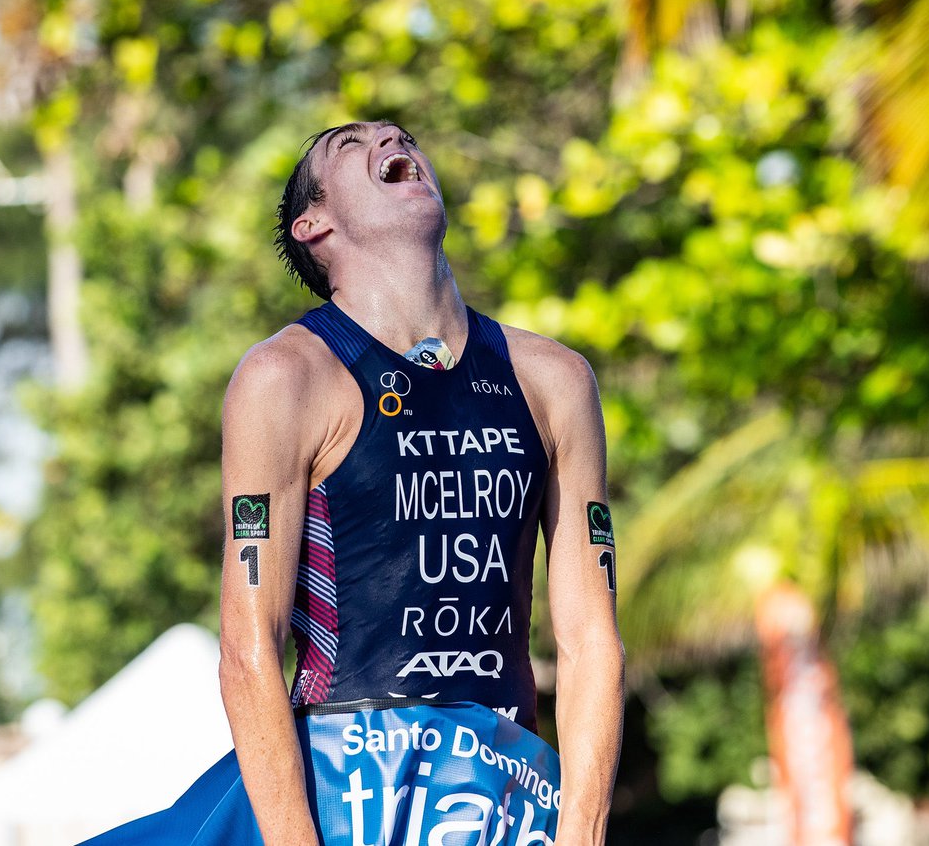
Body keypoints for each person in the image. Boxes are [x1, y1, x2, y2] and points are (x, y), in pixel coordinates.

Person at [86, 120, 623, 845]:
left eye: (398, 136)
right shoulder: (285, 379)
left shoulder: (554, 380)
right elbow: (250, 649)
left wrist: (581, 835)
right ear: (315, 222)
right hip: (343, 794)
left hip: (498, 796)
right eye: (349, 146)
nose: (389, 139)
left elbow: (592, 640)